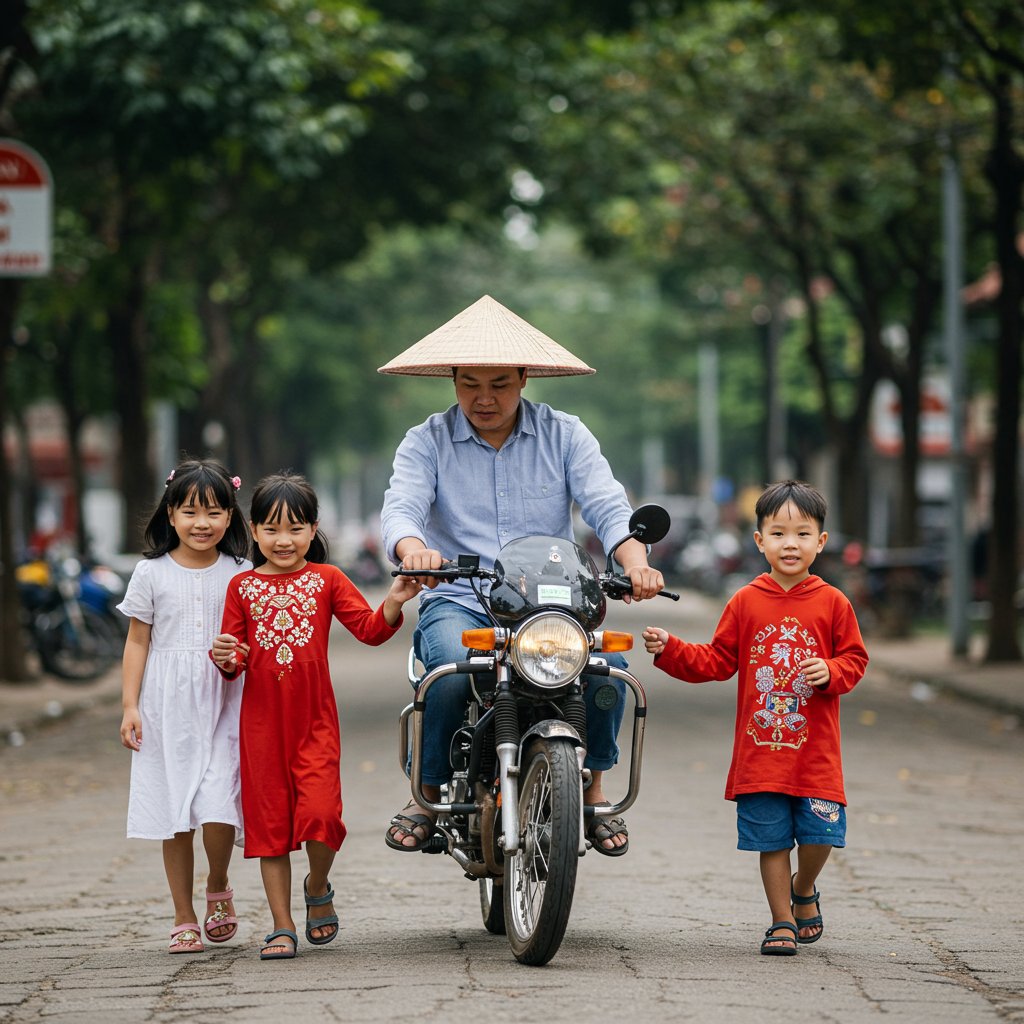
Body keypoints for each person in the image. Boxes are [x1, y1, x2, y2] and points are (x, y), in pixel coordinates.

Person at [377, 294, 665, 856]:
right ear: (452, 380)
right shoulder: (425, 440)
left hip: (551, 602)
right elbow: (402, 509)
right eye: (469, 384)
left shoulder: (566, 434)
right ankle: (426, 796)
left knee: (608, 674)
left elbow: (608, 506)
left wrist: (637, 564)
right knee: (450, 672)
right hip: (460, 596)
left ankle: (594, 792)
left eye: (500, 384)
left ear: (525, 378)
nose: (484, 398)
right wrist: (415, 550)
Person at [642, 480, 868, 956]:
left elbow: (855, 659)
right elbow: (717, 660)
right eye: (779, 533)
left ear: (821, 541)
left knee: (822, 835)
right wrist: (671, 649)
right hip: (761, 754)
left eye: (803, 534)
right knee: (772, 841)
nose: (791, 544)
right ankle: (781, 920)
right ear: (760, 540)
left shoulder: (834, 602)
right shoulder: (745, 601)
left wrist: (831, 670)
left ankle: (803, 887)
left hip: (816, 754)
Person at [210, 472, 421, 960]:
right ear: (254, 530)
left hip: (315, 725)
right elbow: (233, 657)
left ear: (313, 529)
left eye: (295, 528)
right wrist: (225, 656)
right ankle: (282, 926)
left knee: (322, 816)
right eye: (271, 529)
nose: (283, 540)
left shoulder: (327, 579)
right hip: (261, 729)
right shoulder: (241, 587)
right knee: (270, 829)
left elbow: (370, 630)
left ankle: (318, 884)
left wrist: (394, 600)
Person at [118, 458, 251, 954]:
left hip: (226, 700)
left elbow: (253, 638)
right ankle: (183, 913)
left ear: (230, 516)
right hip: (166, 705)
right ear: (170, 514)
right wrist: (130, 706)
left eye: (214, 512)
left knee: (219, 801)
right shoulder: (150, 572)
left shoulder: (241, 572)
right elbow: (137, 641)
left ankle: (218, 884)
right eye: (191, 511)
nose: (202, 523)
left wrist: (239, 654)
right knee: (174, 810)